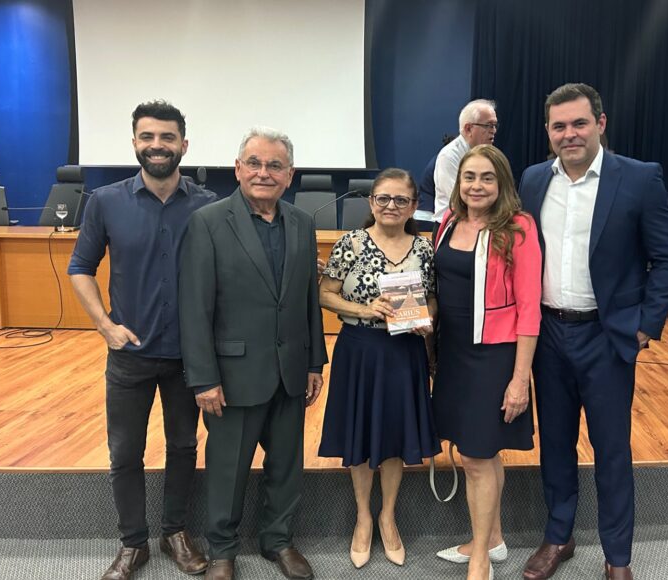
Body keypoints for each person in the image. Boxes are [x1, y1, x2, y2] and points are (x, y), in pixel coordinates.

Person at [518, 83, 668, 580]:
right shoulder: (530, 180)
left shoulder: (637, 179)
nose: (569, 134)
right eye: (559, 126)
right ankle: (559, 536)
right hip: (548, 336)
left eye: (579, 123)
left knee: (612, 449)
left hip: (607, 338)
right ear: (548, 131)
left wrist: (644, 327)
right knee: (556, 443)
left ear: (601, 123)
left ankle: (618, 556)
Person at [68, 100, 216, 580]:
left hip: (187, 356)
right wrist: (104, 326)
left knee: (183, 446)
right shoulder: (105, 202)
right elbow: (79, 270)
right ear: (134, 142)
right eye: (148, 137)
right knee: (124, 452)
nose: (158, 146)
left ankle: (175, 532)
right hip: (128, 356)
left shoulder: (208, 204)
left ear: (183, 145)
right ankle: (133, 543)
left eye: (167, 138)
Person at [178, 127, 328, 580]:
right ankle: (222, 549)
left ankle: (278, 541)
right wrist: (203, 378)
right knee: (228, 469)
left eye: (275, 165)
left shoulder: (302, 222)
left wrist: (315, 361)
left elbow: (307, 299)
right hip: (231, 374)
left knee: (286, 465)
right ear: (239, 168)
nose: (265, 173)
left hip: (289, 371)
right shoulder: (208, 222)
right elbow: (195, 306)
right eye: (255, 163)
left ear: (290, 174)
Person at [318, 168, 441, 569]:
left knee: (394, 435)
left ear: (414, 206)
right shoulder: (351, 243)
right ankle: (363, 517)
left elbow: (432, 301)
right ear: (372, 203)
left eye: (400, 200)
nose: (391, 206)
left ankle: (388, 515)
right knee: (359, 433)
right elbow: (325, 294)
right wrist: (363, 309)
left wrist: (427, 322)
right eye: (383, 199)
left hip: (404, 352)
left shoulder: (424, 249)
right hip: (360, 350)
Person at [432, 144, 542, 580]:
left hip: (495, 356)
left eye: (487, 178)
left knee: (478, 456)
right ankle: (493, 539)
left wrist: (519, 380)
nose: (476, 186)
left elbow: (530, 308)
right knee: (477, 450)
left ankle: (479, 556)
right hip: (453, 353)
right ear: (458, 183)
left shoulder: (518, 228)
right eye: (469, 177)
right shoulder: (447, 222)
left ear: (502, 184)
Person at [433, 99, 499, 226]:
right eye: (489, 125)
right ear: (468, 128)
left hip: (478, 223)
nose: (494, 130)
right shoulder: (449, 156)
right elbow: (458, 199)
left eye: (495, 125)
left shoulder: (488, 154)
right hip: (451, 226)